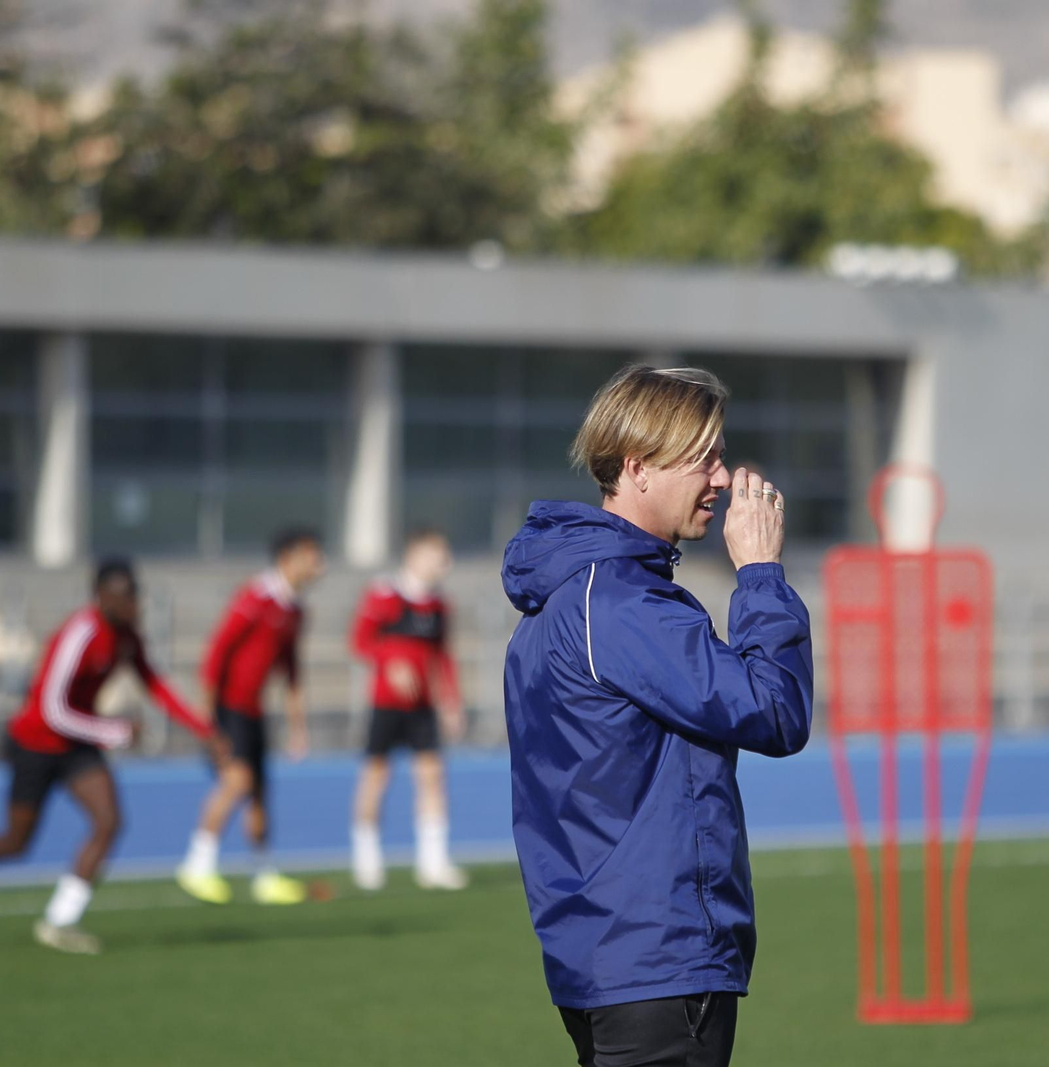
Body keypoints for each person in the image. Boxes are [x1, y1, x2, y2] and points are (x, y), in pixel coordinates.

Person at [501, 365, 814, 1067]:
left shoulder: (565, 594)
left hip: (600, 951)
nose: (723, 476)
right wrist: (761, 572)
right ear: (637, 467)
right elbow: (776, 711)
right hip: (657, 953)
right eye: (703, 456)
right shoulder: (624, 604)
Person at [0, 558, 219, 954]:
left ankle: (60, 920)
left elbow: (155, 684)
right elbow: (52, 709)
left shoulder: (126, 638)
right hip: (35, 743)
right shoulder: (80, 633)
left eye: (135, 594)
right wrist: (114, 730)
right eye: (125, 596)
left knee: (109, 821)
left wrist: (205, 731)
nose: (133, 603)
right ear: (101, 597)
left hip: (77, 748)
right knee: (17, 842)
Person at [176, 527, 324, 906]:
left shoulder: (294, 610)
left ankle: (263, 875)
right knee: (237, 782)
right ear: (288, 558)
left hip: (254, 712)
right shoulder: (256, 597)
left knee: (259, 795)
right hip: (230, 707)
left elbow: (290, 671)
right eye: (312, 555)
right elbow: (217, 651)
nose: (318, 564)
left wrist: (297, 726)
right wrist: (207, 714)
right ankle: (197, 863)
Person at [347, 529, 468, 891]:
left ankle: (433, 864)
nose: (444, 563)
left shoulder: (439, 606)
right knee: (376, 777)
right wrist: (392, 663)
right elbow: (359, 641)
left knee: (432, 776)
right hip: (386, 705)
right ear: (414, 555)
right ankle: (366, 861)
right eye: (437, 554)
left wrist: (451, 700)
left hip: (422, 708)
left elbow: (442, 656)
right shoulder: (384, 594)